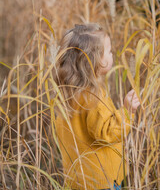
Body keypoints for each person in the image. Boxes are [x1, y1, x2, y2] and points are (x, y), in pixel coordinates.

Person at [54, 23, 140, 190]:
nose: (112, 53)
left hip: (78, 178)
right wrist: (128, 111)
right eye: (108, 51)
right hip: (102, 180)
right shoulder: (93, 96)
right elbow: (106, 133)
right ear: (94, 60)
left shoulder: (67, 91)